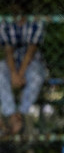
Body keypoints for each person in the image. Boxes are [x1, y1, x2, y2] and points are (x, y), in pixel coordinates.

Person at [0, 10, 46, 139]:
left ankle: (21, 113)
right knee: (0, 70)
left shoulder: (36, 22)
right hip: (11, 65)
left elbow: (31, 51)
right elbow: (8, 51)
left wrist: (19, 74)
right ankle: (11, 114)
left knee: (36, 75)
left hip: (31, 64)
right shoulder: (5, 23)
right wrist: (14, 73)